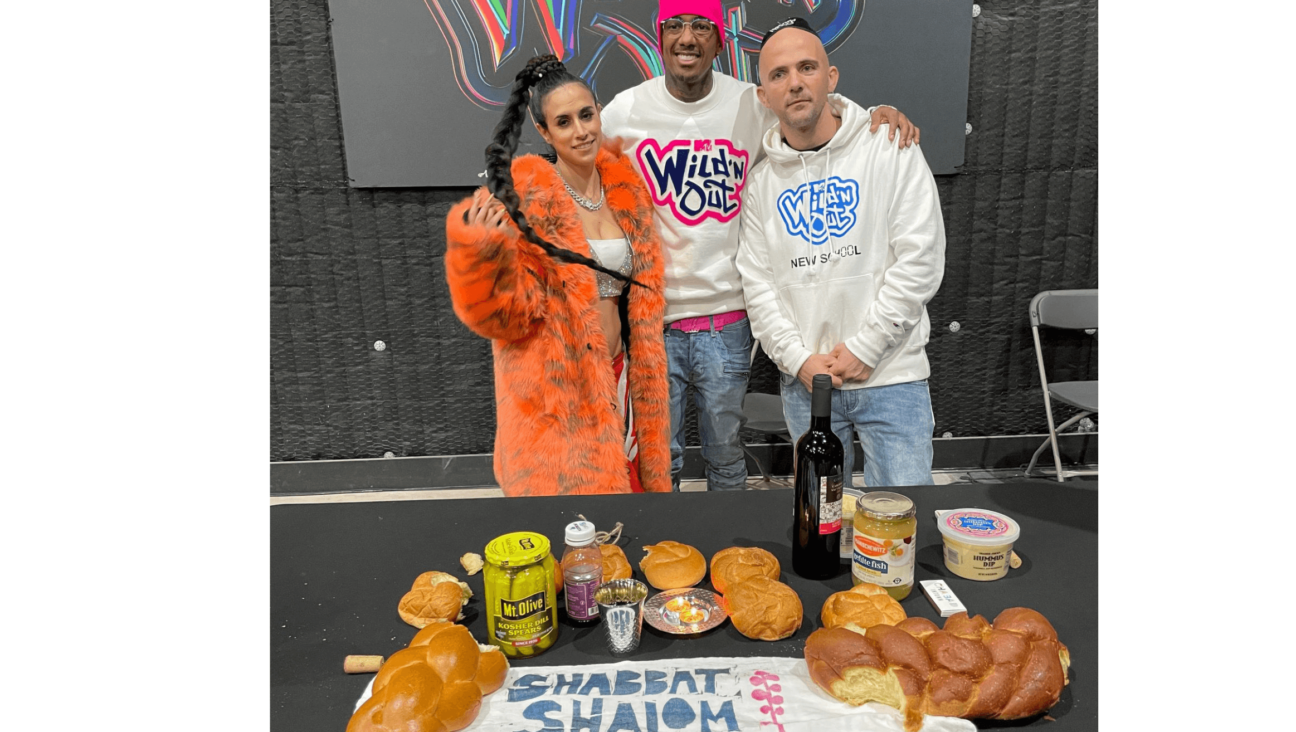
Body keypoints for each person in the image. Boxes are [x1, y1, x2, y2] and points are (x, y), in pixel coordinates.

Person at [600, 0, 920, 491]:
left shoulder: (752, 101)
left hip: (728, 320)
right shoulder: (623, 112)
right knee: (657, 461)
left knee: (727, 455)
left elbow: (811, 102)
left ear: (720, 38)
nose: (687, 37)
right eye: (676, 25)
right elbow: (581, 175)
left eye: (701, 25)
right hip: (653, 318)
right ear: (659, 33)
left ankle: (728, 553)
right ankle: (664, 554)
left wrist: (877, 114)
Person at [444, 55, 672, 496]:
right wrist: (484, 254)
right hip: (563, 390)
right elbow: (504, 318)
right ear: (545, 133)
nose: (582, 131)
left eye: (587, 115)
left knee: (633, 502)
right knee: (578, 521)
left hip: (623, 375)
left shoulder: (625, 188)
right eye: (564, 122)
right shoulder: (529, 198)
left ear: (599, 111)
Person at [735, 18, 946, 489]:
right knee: (820, 530)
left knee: (899, 527)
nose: (794, 83)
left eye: (807, 67)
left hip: (891, 377)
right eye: (778, 74)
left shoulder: (890, 147)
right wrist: (798, 361)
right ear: (764, 96)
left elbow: (920, 259)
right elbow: (759, 288)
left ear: (830, 77)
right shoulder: (761, 186)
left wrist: (866, 348)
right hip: (807, 387)